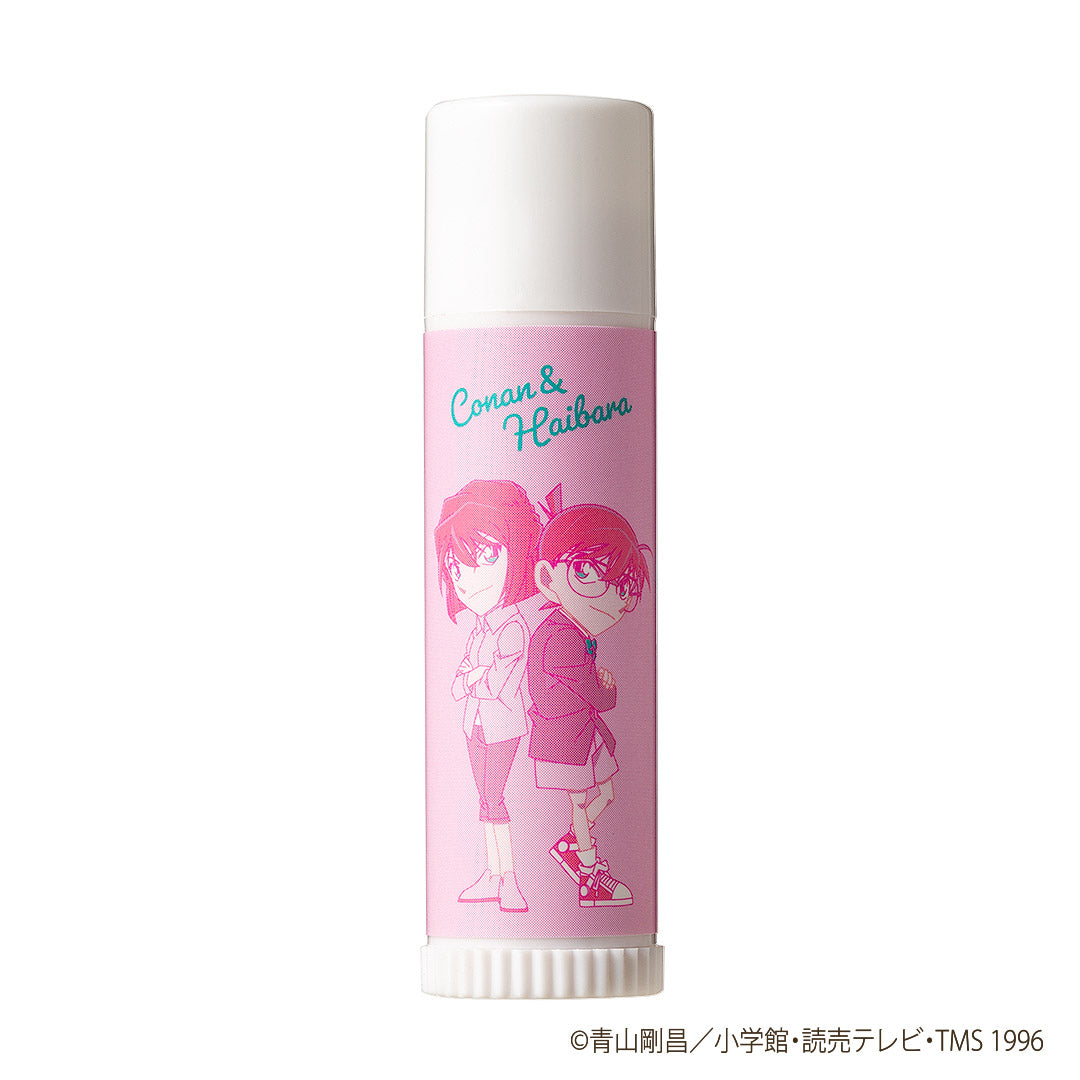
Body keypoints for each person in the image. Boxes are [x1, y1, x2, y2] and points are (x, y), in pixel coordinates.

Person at [526, 485, 651, 908]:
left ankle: (571, 846)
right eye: (585, 572)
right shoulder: (561, 638)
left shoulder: (573, 634)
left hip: (581, 735)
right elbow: (593, 693)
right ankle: (590, 875)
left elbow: (586, 687)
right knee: (581, 803)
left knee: (607, 793)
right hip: (564, 741)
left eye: (623, 585)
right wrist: (606, 689)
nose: (613, 596)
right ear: (547, 579)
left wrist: (598, 687)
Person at [435, 479, 541, 913]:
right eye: (456, 566)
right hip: (475, 724)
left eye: (488, 557)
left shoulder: (512, 628)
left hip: (502, 727)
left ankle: (510, 878)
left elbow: (496, 685)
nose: (467, 580)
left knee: (494, 799)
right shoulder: (481, 630)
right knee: (485, 799)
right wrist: (475, 676)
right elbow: (460, 683)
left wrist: (475, 677)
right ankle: (493, 875)